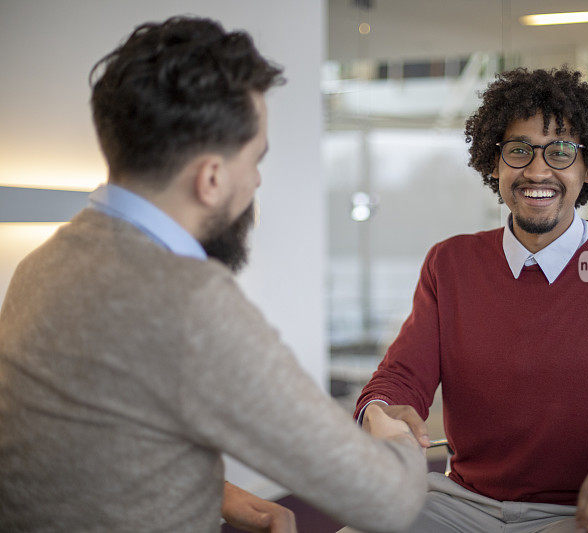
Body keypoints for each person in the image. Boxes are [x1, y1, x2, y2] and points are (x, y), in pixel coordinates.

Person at [0, 16, 427, 533]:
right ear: (211, 178)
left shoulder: (39, 267)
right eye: (255, 160)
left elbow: (85, 442)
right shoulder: (189, 303)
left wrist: (220, 496)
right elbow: (388, 501)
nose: (257, 179)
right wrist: (388, 431)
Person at [351, 67, 588, 532]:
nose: (537, 170)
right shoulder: (449, 262)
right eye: (518, 151)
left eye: (560, 151)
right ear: (494, 165)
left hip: (584, 512)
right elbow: (400, 378)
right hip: (457, 503)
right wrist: (379, 409)